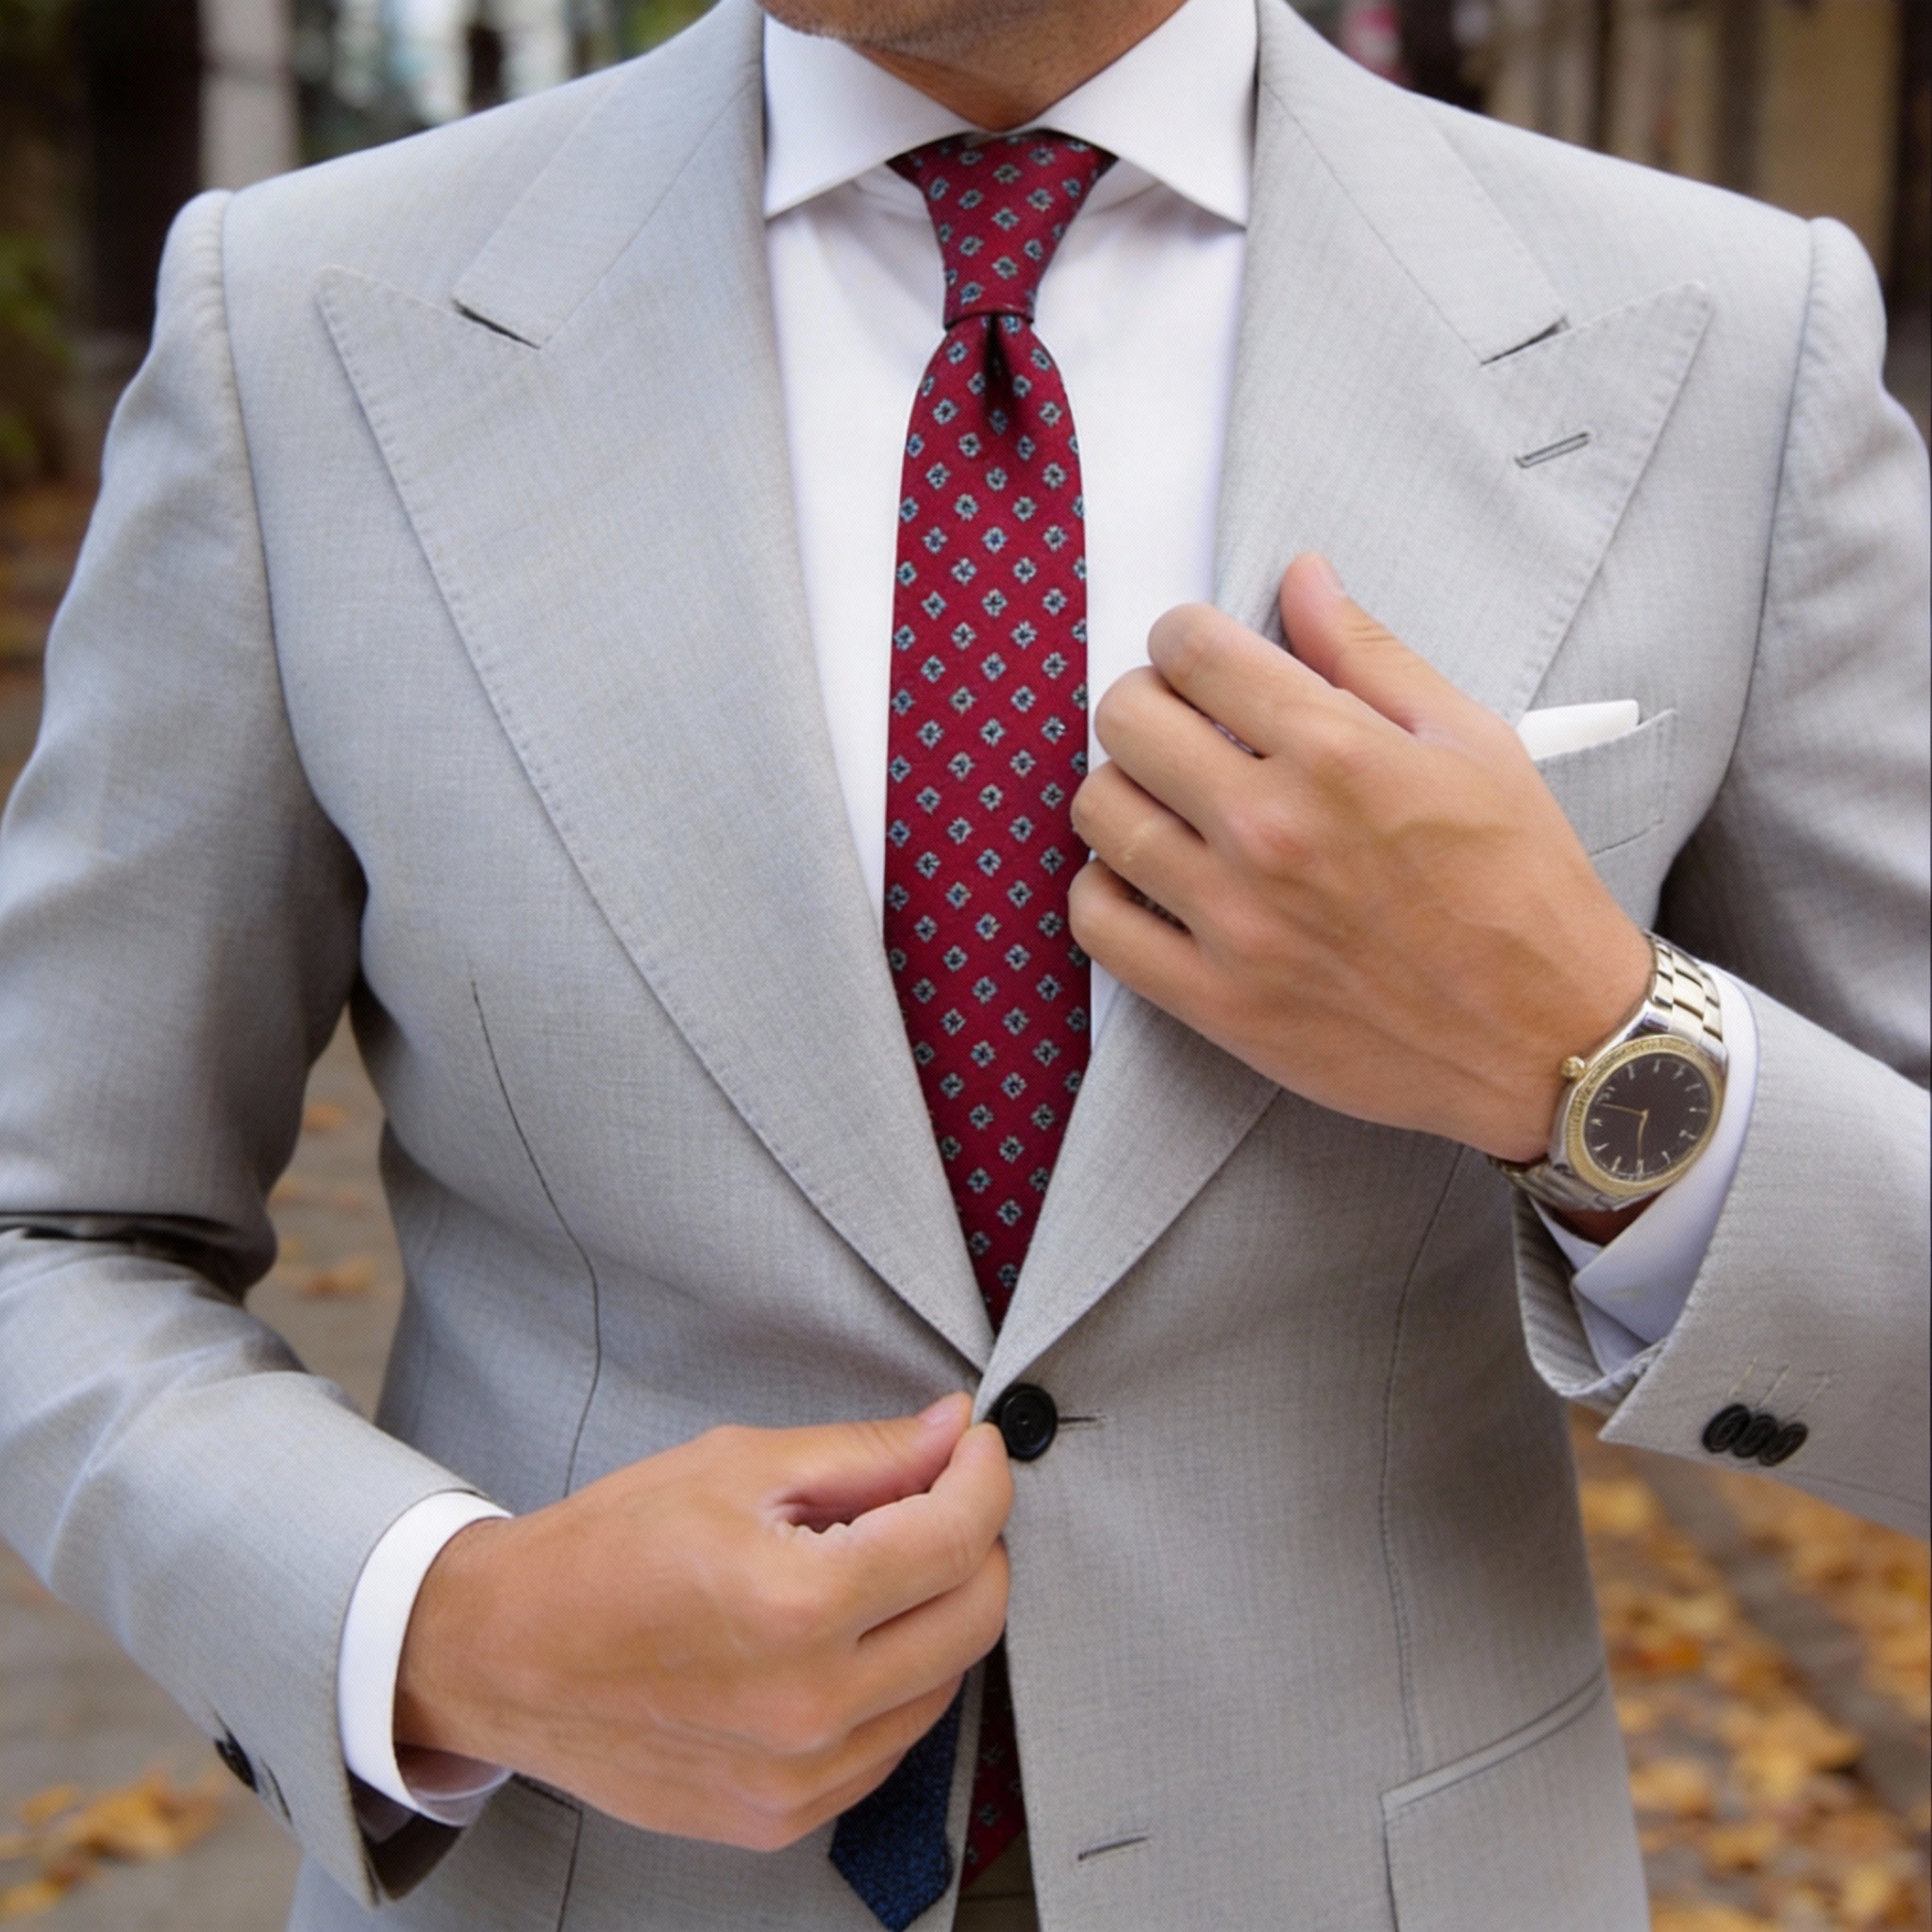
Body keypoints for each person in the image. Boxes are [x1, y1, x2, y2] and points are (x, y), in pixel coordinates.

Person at [0, 0, 1924, 1925]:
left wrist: (1594, 1065)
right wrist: (445, 1625)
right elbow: (50, 1226)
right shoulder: (306, 317)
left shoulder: (1726, 343)